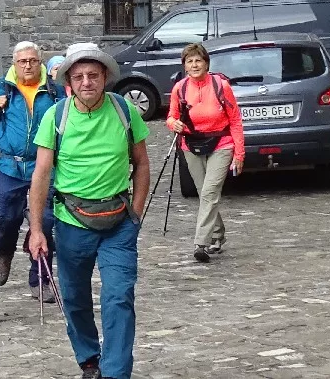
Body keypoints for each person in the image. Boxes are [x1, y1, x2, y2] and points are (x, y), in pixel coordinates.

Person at [28, 42, 150, 379]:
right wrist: (37, 229)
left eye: (93, 75)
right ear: (69, 80)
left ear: (105, 77)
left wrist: (136, 213)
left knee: (119, 297)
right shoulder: (57, 116)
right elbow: (41, 175)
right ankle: (89, 358)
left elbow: (141, 164)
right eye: (79, 76)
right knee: (75, 298)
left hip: (119, 223)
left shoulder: (125, 111)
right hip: (71, 224)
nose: (86, 82)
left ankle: (115, 372)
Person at [0, 41, 61, 300]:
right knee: (6, 218)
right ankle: (5, 253)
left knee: (45, 221)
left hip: (43, 166)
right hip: (9, 165)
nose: (27, 65)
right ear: (14, 63)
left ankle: (40, 277)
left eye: (32, 61)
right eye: (22, 61)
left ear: (40, 62)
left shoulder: (55, 92)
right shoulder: (0, 88)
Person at [165, 42, 245, 263]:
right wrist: (174, 124)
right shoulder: (179, 88)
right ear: (184, 66)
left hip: (222, 143)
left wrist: (239, 153)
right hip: (191, 145)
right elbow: (170, 116)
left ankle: (201, 243)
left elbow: (235, 119)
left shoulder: (221, 86)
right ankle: (218, 236)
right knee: (204, 194)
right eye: (189, 61)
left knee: (210, 192)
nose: (194, 64)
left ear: (206, 63)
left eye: (198, 60)